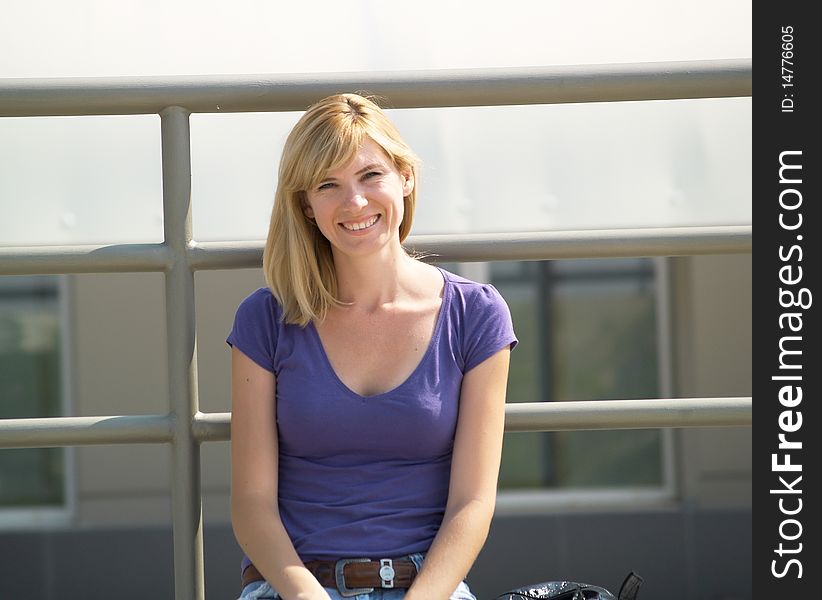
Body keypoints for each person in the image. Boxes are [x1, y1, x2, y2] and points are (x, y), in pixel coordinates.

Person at [227, 92, 517, 600]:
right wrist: (305, 595)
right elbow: (252, 505)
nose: (354, 202)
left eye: (370, 176)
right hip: (294, 589)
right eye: (328, 185)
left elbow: (472, 504)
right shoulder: (264, 320)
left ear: (405, 177)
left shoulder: (475, 316)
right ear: (306, 205)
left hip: (426, 588)